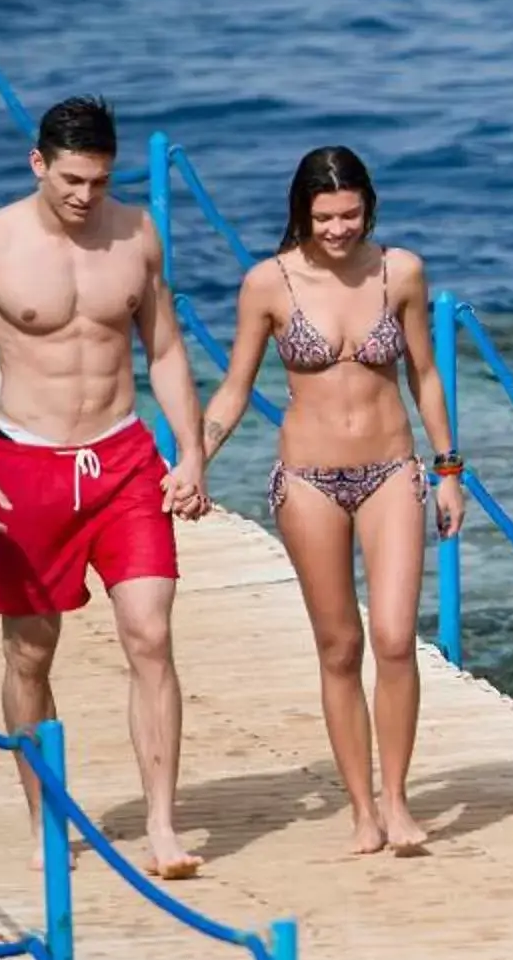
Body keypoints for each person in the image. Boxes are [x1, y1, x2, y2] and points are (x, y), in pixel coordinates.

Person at [0, 97, 210, 879]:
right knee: (31, 654)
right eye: (73, 179)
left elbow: (168, 350)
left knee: (150, 633)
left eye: (101, 180)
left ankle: (161, 827)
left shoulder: (136, 234)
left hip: (123, 461)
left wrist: (190, 452)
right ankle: (46, 813)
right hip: (26, 471)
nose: (87, 196)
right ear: (39, 163)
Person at [197, 148, 465, 855]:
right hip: (309, 481)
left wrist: (449, 469)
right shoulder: (268, 284)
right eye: (324, 218)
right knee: (340, 647)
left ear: (368, 207)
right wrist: (193, 461)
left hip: (391, 473)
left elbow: (425, 375)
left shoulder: (399, 272)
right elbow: (232, 386)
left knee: (397, 639)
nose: (339, 229)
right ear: (301, 214)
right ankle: (361, 811)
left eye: (350, 215)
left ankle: (398, 801)